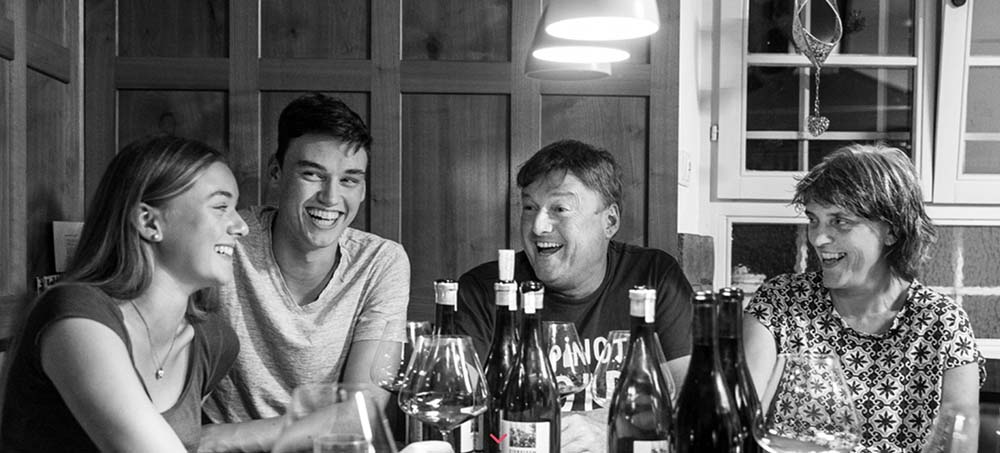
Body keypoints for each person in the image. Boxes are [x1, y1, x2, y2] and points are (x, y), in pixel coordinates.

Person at [0, 136, 248, 452]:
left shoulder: (215, 342)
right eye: (221, 207)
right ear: (148, 222)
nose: (241, 226)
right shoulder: (76, 315)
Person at [200, 93, 410, 451]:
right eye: (312, 174)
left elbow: (362, 412)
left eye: (349, 180)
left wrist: (222, 438)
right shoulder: (227, 240)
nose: (330, 197)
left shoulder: (381, 262)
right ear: (276, 172)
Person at [455, 139, 693, 453]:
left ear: (610, 221)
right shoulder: (487, 289)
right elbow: (459, 405)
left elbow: (688, 396)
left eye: (559, 209)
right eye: (529, 208)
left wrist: (610, 428)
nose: (538, 226)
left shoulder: (653, 278)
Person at [743, 144, 985, 452]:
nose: (818, 238)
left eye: (840, 221)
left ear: (892, 230)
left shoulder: (943, 323)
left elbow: (959, 446)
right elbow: (742, 424)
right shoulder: (780, 303)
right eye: (813, 219)